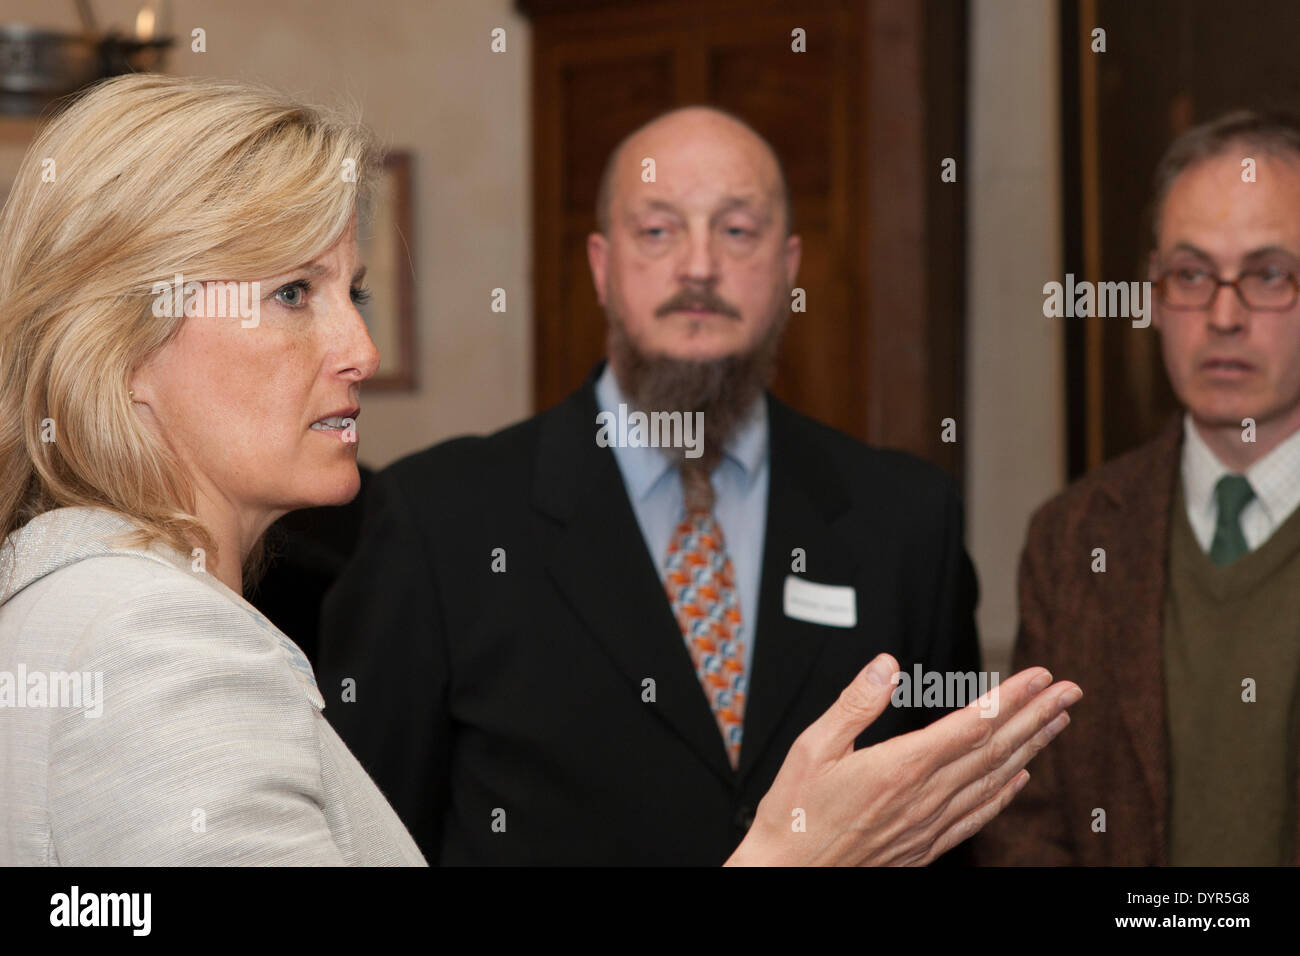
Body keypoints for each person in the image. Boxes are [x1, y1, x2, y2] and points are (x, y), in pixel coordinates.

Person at [317, 105, 1082, 865]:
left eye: (737, 230)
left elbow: (942, 824)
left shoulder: (907, 521)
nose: (699, 266)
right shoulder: (440, 519)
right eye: (658, 230)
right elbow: (365, 841)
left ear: (788, 270)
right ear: (601, 267)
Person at [0, 73, 424, 865]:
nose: (362, 353)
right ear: (123, 344)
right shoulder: (158, 641)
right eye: (293, 292)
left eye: (353, 294)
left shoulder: (65, 602)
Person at [979, 110, 1300, 866]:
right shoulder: (1074, 537)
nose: (1224, 316)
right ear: (1155, 295)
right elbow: (1026, 823)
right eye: (1191, 276)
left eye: (1268, 275)